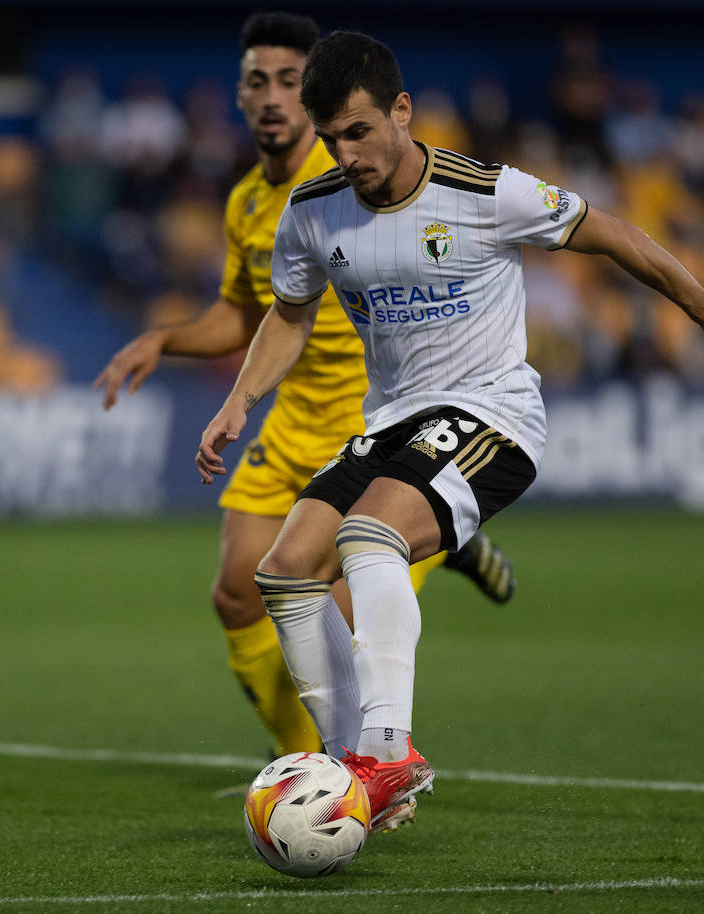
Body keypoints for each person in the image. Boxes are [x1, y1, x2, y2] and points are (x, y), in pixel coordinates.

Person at [195, 31, 704, 832]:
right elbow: (289, 315)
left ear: (401, 110)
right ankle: (352, 764)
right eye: (331, 138)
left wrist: (703, 307)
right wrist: (239, 401)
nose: (345, 153)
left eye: (358, 131)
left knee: (367, 537)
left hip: (493, 413)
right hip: (391, 423)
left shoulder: (486, 192)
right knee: (284, 572)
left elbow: (611, 232)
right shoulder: (313, 212)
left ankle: (387, 754)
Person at [95, 13, 516, 788]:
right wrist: (165, 338)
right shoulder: (250, 204)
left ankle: (353, 765)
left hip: (374, 423)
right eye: (257, 81)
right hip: (293, 424)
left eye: (290, 82)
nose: (273, 98)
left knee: (340, 615)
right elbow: (246, 313)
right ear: (241, 95)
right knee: (236, 594)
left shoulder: (357, 177)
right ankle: (311, 749)